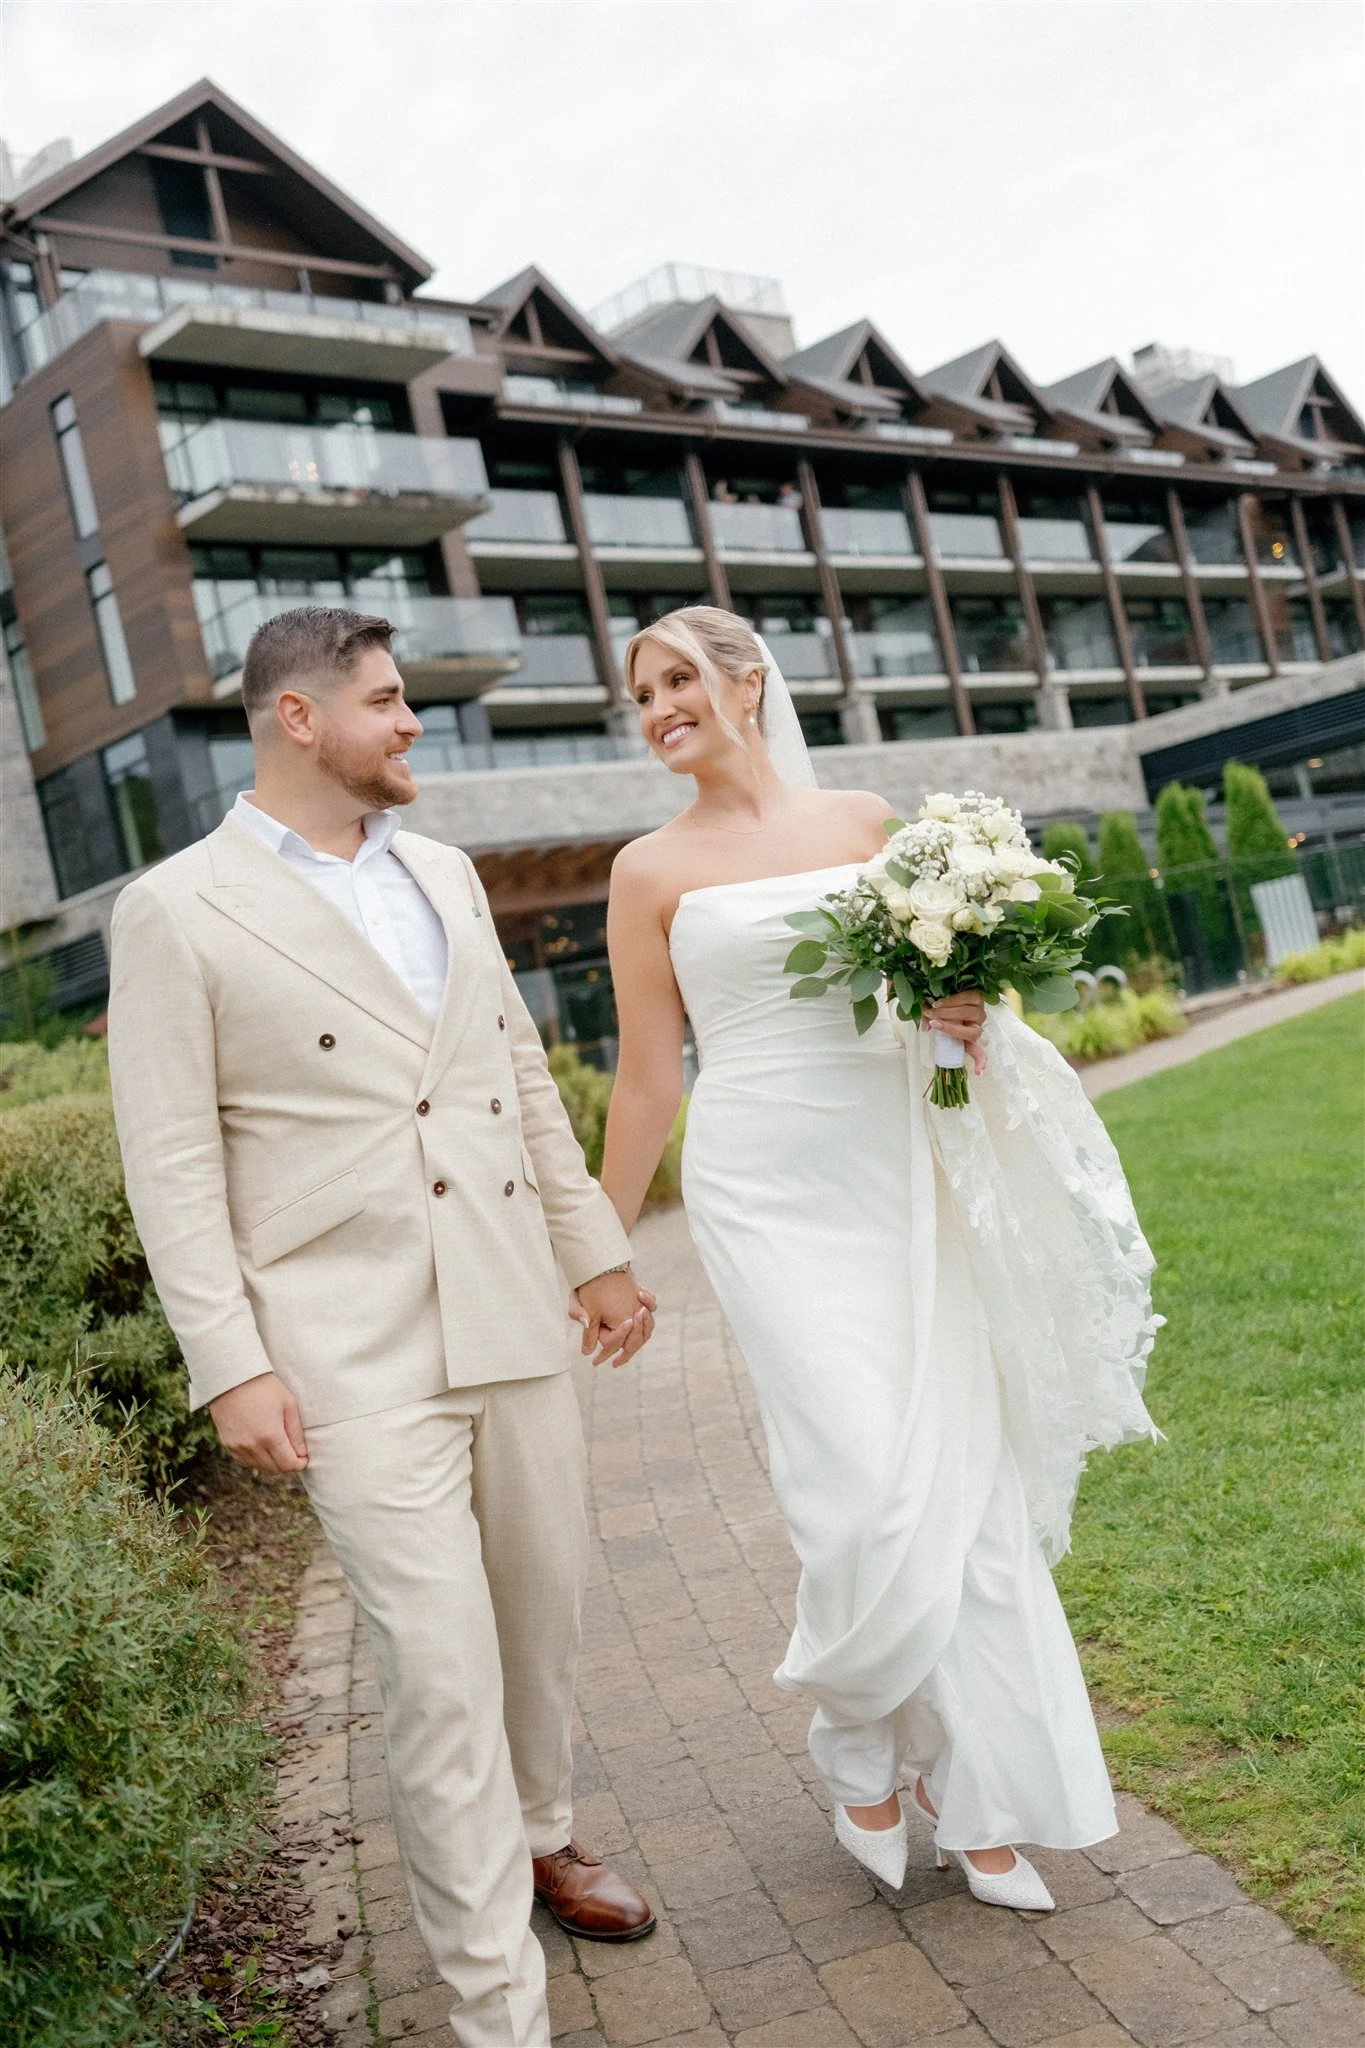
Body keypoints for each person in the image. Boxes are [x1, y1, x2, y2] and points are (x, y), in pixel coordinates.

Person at [108, 607, 658, 2048]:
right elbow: (169, 1163)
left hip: (509, 1307)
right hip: (346, 1344)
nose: (414, 723)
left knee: (537, 1625)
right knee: (437, 1668)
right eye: (390, 701)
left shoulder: (447, 874)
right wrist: (229, 1359)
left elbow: (517, 1079)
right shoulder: (175, 908)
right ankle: (497, 2012)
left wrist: (594, 1252)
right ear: (300, 719)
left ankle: (541, 1833)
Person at [598, 605, 1160, 1912]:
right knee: (853, 1483)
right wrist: (599, 1250)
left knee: (956, 1481)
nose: (660, 704)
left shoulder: (866, 825)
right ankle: (855, 1734)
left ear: (749, 683)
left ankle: (981, 1800)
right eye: (641, 692)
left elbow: (946, 1056)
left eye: (680, 677)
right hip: (762, 1187)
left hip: (898, 1170)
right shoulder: (645, 871)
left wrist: (961, 1037)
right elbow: (642, 1078)